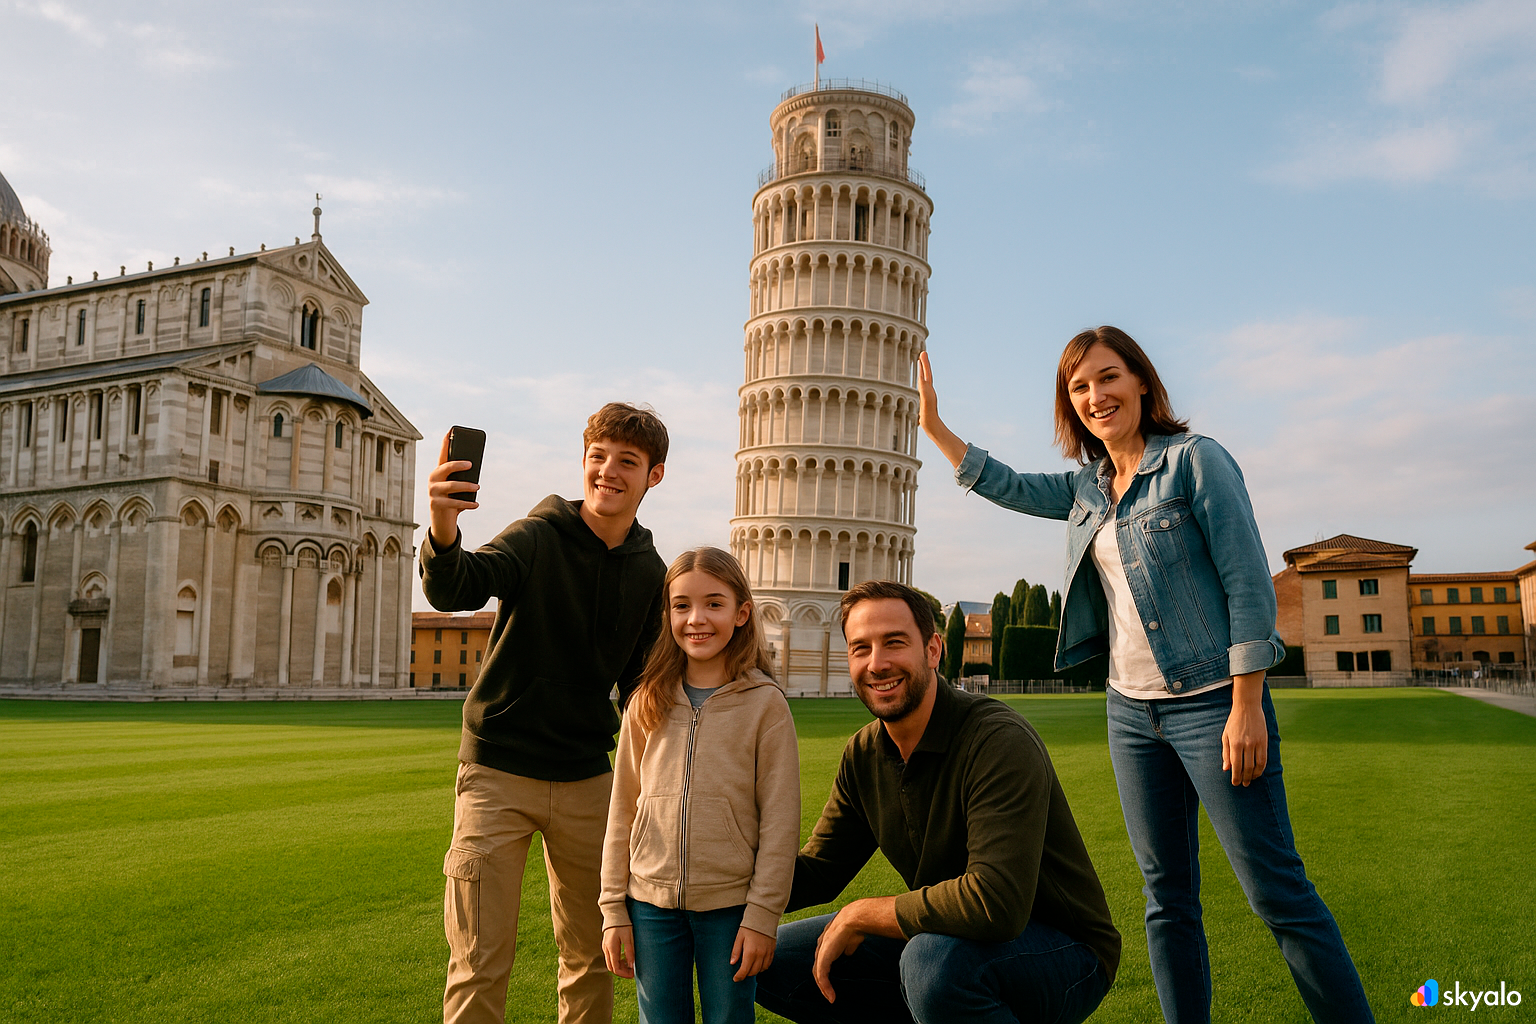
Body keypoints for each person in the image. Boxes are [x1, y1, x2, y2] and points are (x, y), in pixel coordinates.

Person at [917, 326, 1375, 1024]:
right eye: (1079, 387)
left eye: (1107, 378)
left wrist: (1246, 704)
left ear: (1140, 383)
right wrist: (937, 428)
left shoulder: (1195, 461)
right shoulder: (1086, 489)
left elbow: (1248, 584)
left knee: (1277, 895)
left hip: (1213, 704)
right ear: (1070, 406)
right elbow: (1004, 484)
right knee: (1166, 902)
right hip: (1130, 713)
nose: (1095, 396)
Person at [755, 580, 1121, 1024]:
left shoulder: (997, 741)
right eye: (860, 648)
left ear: (932, 650)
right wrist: (709, 883)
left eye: (894, 643)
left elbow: (995, 904)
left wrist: (863, 913)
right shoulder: (864, 753)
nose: (877, 663)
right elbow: (819, 870)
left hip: (1062, 949)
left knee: (933, 965)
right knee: (771, 956)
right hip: (950, 938)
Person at [421, 403, 670, 1024]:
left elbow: (644, 687)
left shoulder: (651, 573)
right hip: (497, 775)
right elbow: (457, 588)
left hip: (588, 779)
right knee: (479, 959)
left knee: (593, 958)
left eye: (627, 462)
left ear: (653, 477)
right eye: (598, 456)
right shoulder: (537, 535)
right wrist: (444, 523)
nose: (608, 471)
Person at [600, 546, 801, 1024]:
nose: (697, 619)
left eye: (714, 603)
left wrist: (762, 915)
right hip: (649, 907)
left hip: (731, 908)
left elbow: (780, 821)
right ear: (667, 613)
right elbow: (622, 809)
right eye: (682, 605)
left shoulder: (765, 706)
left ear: (742, 613)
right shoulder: (645, 701)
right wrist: (613, 908)